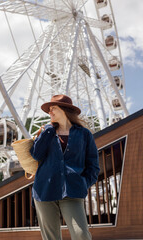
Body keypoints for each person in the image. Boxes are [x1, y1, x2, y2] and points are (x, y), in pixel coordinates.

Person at [30, 94, 100, 240]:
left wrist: (83, 183)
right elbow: (36, 155)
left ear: (64, 110)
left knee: (81, 235)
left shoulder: (84, 134)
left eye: (53, 109)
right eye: (49, 110)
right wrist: (48, 130)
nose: (50, 113)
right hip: (44, 191)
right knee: (51, 238)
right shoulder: (47, 132)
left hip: (72, 192)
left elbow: (93, 165)